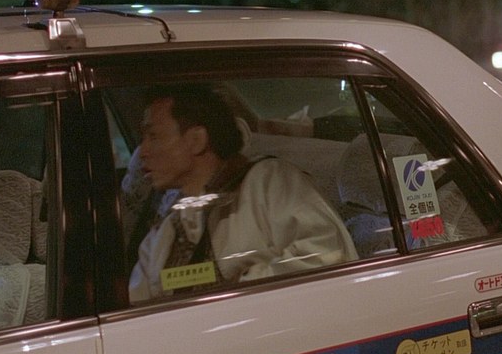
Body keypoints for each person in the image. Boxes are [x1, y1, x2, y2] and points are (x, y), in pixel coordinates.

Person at [128, 83, 358, 302]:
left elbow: (327, 256)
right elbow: (138, 306)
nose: (142, 152)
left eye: (153, 136)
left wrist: (241, 290)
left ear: (197, 140)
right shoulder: (163, 232)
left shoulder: (268, 183)